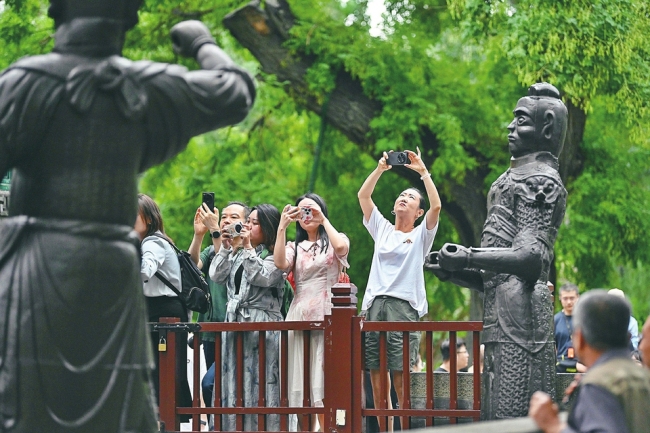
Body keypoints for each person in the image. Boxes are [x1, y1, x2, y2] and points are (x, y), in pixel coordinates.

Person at [0, 1, 255, 429]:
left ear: (56, 13)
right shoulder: (145, 87)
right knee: (119, 404)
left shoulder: (26, 82)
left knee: (31, 398)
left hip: (41, 265)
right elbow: (235, 89)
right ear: (131, 18)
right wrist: (199, 41)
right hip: (111, 269)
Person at [431, 83, 568, 419]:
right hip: (501, 314)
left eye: (520, 121)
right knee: (496, 411)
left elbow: (531, 258)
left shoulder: (542, 180)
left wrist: (467, 256)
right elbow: (495, 278)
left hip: (522, 320)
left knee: (512, 414)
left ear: (546, 127)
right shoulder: (513, 177)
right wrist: (455, 270)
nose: (510, 127)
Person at [357, 148, 441, 427]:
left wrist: (423, 172)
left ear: (418, 212)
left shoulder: (421, 235)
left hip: (403, 307)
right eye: (402, 196)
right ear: (394, 206)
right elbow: (364, 196)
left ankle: (404, 429)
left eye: (411, 198)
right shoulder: (381, 228)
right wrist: (380, 169)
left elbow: (437, 207)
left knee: (401, 378)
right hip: (375, 306)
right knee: (377, 380)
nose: (404, 199)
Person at [274, 193, 350, 431]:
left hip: (328, 314)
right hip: (300, 315)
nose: (307, 215)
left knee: (326, 383)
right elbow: (280, 264)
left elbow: (341, 248)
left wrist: (323, 219)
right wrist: (282, 227)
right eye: (302, 211)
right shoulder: (294, 247)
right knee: (302, 384)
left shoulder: (336, 239)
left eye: (311, 209)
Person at [529, 290, 650, 433]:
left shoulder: (599, 385)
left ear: (580, 339)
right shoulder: (643, 377)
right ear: (629, 337)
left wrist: (554, 426)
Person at [209, 204, 285, 431]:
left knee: (263, 382)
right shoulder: (237, 252)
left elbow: (261, 277)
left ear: (268, 227)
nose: (247, 226)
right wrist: (224, 248)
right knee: (233, 381)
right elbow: (215, 275)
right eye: (248, 221)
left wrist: (248, 247)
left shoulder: (276, 255)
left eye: (254, 222)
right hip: (235, 324)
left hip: (263, 326)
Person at [135, 194, 192, 418]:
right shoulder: (152, 241)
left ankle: (165, 421)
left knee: (162, 371)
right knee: (162, 371)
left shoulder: (153, 242)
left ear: (148, 219)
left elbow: (144, 270)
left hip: (164, 311)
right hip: (160, 310)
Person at [188, 200, 249, 407]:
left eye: (234, 217)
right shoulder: (212, 249)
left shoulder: (247, 252)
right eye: (223, 217)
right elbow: (192, 267)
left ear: (246, 224)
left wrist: (215, 230)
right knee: (218, 390)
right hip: (210, 329)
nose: (226, 221)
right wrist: (199, 235)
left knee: (212, 384)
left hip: (234, 329)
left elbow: (223, 270)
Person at [554, 284, 586, 373]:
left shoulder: (586, 319)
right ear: (560, 298)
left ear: (578, 298)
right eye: (565, 298)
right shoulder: (555, 320)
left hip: (583, 368)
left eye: (572, 298)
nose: (569, 302)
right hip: (561, 368)